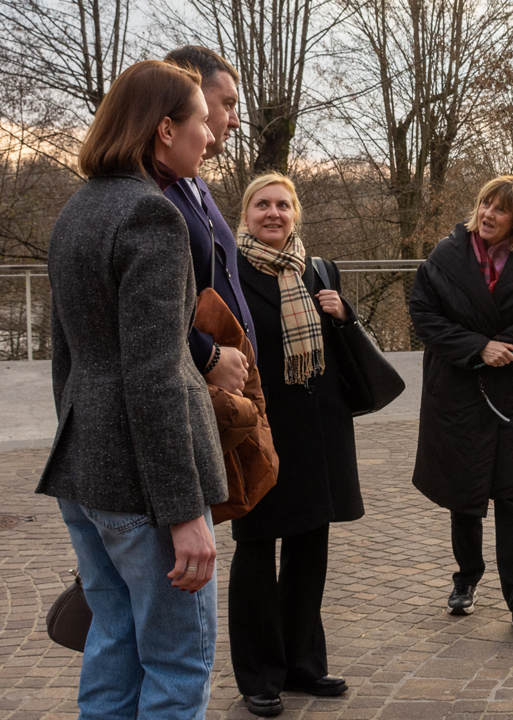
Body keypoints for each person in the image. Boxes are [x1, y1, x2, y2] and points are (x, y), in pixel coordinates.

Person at [39, 59, 225, 718]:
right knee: (177, 660)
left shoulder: (77, 210)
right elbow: (154, 374)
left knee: (112, 643)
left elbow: (67, 358)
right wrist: (182, 513)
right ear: (163, 129)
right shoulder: (152, 215)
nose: (210, 134)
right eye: (200, 120)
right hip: (145, 487)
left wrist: (79, 445)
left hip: (85, 470)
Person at [229, 173, 363, 717]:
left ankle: (304, 663)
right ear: (246, 213)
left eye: (284, 205)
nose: (274, 214)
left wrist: (345, 315)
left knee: (310, 546)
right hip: (260, 427)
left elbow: (345, 349)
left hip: (318, 427)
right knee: (257, 548)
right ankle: (260, 674)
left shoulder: (318, 269)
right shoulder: (230, 270)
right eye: (263, 204)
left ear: (296, 214)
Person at [408, 176, 513, 638]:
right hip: (455, 391)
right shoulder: (444, 257)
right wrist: (478, 347)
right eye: (485, 203)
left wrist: (497, 347)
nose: (488, 213)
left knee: (512, 495)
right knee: (463, 494)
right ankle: (466, 578)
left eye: (500, 209)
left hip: (509, 397)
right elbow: (423, 316)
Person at [162, 45, 257, 394]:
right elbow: (151, 313)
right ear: (191, 94)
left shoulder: (197, 184)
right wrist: (208, 357)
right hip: (197, 393)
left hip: (230, 393)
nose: (234, 120)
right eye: (228, 104)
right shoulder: (153, 196)